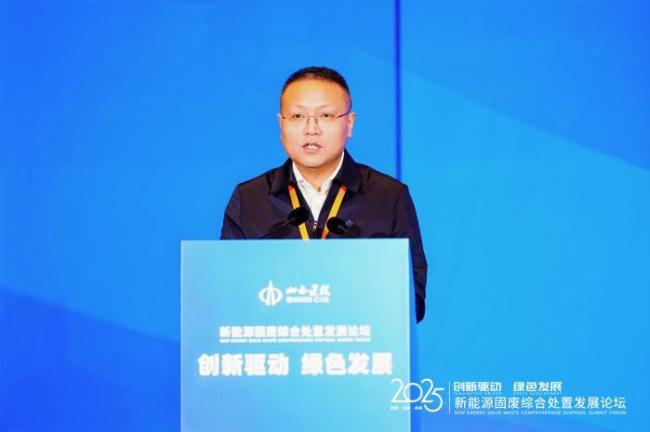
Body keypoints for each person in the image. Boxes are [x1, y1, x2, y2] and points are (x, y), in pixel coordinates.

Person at [220, 66, 427, 322]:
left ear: (349, 124)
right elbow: (227, 292)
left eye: (325, 115)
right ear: (281, 124)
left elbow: (413, 302)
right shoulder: (249, 198)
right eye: (297, 116)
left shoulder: (389, 196)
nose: (311, 129)